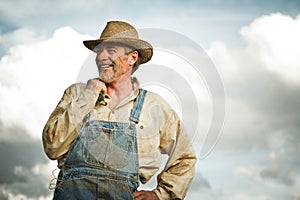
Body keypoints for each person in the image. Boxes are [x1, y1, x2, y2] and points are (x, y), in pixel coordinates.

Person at [42, 21, 196, 200]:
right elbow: (52, 147)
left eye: (111, 51)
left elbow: (184, 157)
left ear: (132, 58)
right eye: (99, 51)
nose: (101, 57)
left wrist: (160, 195)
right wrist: (87, 97)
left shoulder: (154, 106)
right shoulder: (76, 93)